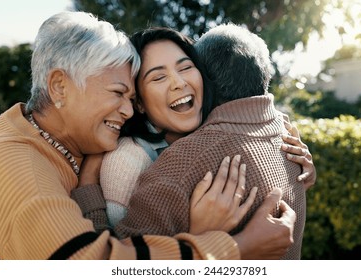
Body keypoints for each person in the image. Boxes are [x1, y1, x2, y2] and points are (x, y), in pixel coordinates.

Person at [0, 11, 296, 260]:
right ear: (60, 86)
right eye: (119, 93)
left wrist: (278, 133)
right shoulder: (20, 172)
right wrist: (235, 246)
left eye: (130, 97)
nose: (128, 110)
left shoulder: (54, 138)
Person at [113, 24, 308, 260]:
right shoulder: (127, 162)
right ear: (139, 102)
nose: (178, 83)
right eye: (159, 76)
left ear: (206, 77)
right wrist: (202, 239)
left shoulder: (285, 141)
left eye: (186, 67)